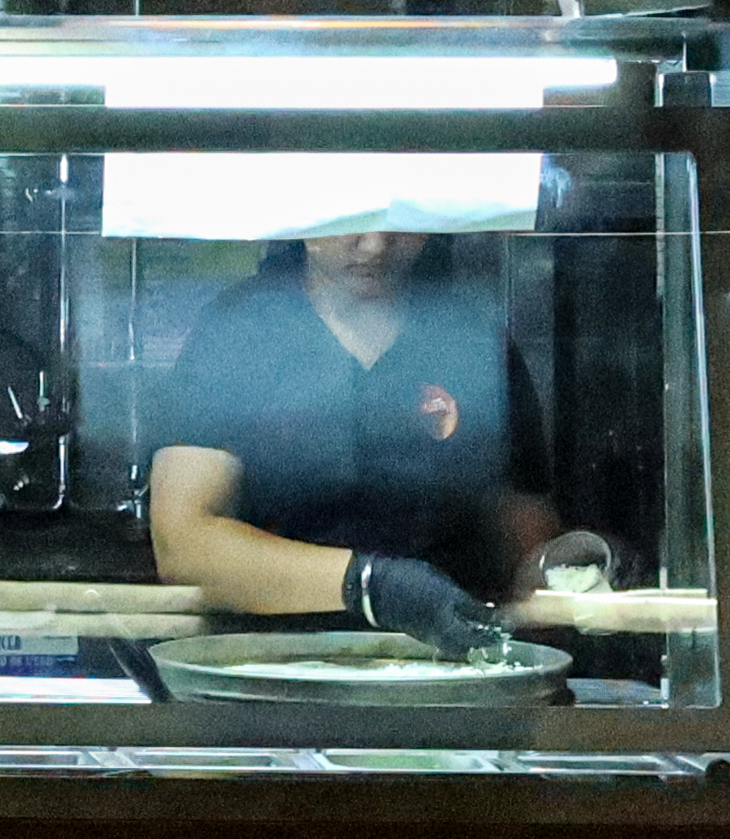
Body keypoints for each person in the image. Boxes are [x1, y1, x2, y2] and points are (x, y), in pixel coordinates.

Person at [143, 229, 556, 648]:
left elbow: (525, 539)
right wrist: (370, 586)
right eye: (352, 219)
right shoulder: (239, 331)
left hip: (447, 661)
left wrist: (573, 568)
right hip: (272, 659)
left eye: (400, 221)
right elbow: (183, 544)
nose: (375, 245)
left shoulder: (470, 337)